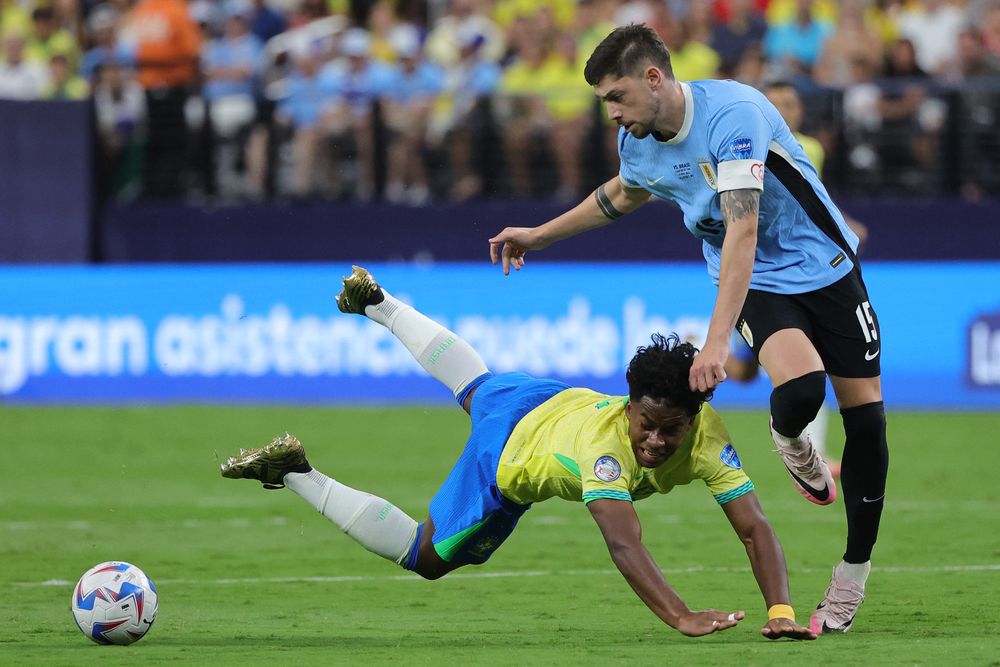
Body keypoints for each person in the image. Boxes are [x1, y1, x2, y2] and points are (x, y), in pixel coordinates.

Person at [488, 25, 889, 635]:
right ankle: (793, 440)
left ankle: (852, 574)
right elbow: (621, 194)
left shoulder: (736, 114)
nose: (614, 114)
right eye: (605, 103)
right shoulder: (639, 142)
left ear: (654, 78)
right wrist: (539, 235)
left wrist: (717, 340)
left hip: (828, 266)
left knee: (867, 425)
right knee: (802, 393)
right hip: (758, 283)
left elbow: (743, 230)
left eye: (617, 96)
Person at [222, 265, 817, 641]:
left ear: (696, 419)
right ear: (630, 406)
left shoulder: (707, 433)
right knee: (425, 556)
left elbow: (753, 526)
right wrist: (680, 615)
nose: (657, 441)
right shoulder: (606, 452)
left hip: (549, 397)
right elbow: (623, 541)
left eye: (672, 431)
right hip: (508, 457)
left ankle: (379, 304)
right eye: (647, 425)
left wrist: (782, 609)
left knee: (476, 385)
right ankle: (297, 473)